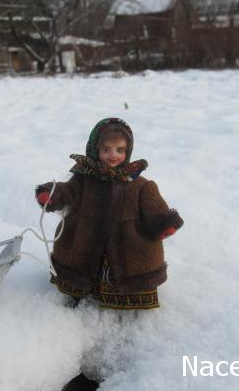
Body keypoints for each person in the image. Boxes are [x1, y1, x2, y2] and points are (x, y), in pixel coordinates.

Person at [35, 117, 184, 310]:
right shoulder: (84, 178)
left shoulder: (138, 184)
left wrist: (163, 222)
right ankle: (79, 291)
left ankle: (125, 298)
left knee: (124, 264)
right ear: (95, 149)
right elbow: (67, 192)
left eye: (120, 150)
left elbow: (153, 205)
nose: (113, 155)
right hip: (85, 238)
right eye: (106, 149)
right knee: (83, 260)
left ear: (128, 151)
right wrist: (52, 195)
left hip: (126, 244)